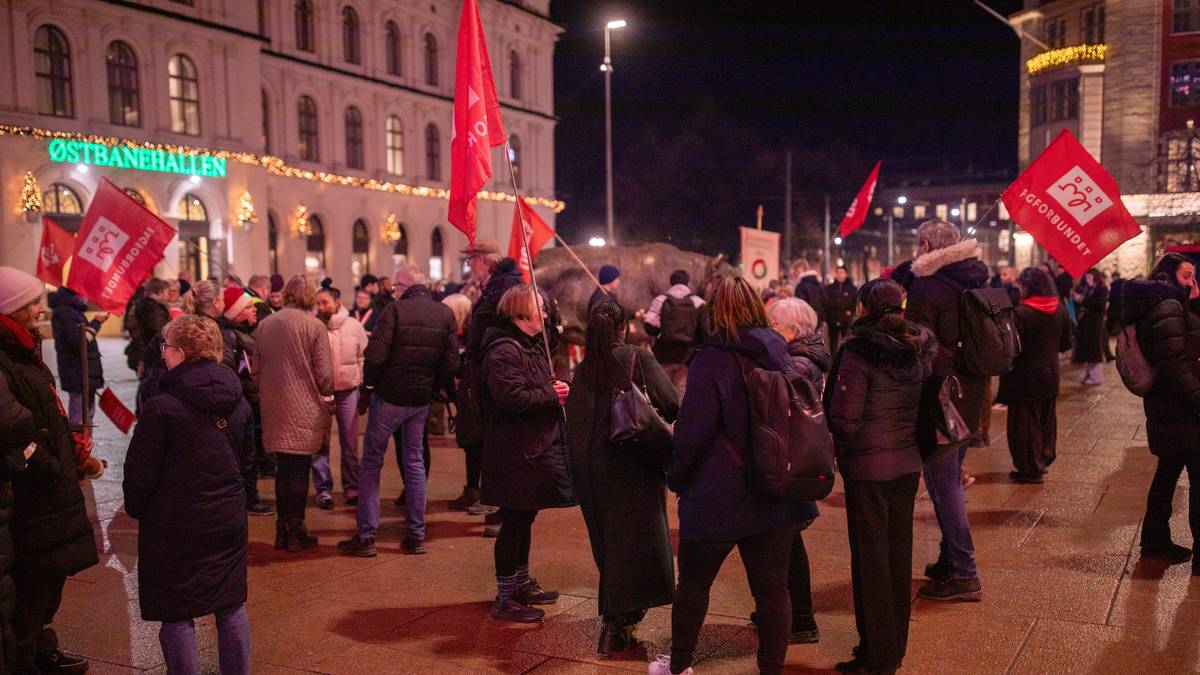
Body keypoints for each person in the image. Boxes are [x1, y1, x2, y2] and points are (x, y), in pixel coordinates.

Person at [649, 276, 810, 675]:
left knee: (694, 585)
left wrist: (677, 477)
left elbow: (692, 430)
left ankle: (680, 665)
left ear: (715, 312)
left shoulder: (711, 358)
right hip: (775, 492)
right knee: (773, 592)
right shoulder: (780, 353)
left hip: (718, 494)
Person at [123, 315, 253, 675]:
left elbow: (140, 473)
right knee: (230, 605)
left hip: (174, 523)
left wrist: (138, 508)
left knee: (177, 611)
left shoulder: (162, 407)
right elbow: (248, 461)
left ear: (179, 352)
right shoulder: (239, 400)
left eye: (165, 348)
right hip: (226, 517)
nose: (162, 355)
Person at [825, 279, 936, 675]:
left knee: (871, 561)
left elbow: (844, 416)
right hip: (906, 465)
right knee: (897, 556)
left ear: (865, 308)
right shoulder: (917, 347)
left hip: (868, 470)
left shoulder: (858, 351)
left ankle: (877, 655)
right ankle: (894, 646)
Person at [566, 301, 680, 656]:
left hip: (590, 470)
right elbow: (672, 404)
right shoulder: (637, 358)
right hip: (631, 464)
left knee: (609, 545)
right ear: (623, 327)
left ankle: (621, 617)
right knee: (636, 545)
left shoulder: (585, 368)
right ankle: (615, 624)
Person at [0, 267, 97, 674]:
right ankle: (26, 657)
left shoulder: (24, 347)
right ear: (11, 309)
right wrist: (51, 464)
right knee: (34, 581)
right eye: (30, 303)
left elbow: (41, 409)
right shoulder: (7, 354)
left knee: (50, 576)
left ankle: (42, 646)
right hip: (33, 488)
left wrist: (67, 441)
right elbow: (13, 425)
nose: (39, 309)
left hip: (49, 483)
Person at [339, 269, 458, 557]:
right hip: (419, 399)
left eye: (395, 287)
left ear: (404, 286)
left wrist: (371, 384)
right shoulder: (444, 313)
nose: (393, 292)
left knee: (371, 463)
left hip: (389, 397)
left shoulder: (394, 310)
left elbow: (376, 356)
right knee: (414, 461)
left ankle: (367, 536)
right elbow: (451, 361)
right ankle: (416, 535)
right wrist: (431, 387)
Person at [479, 285, 574, 622]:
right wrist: (552, 395)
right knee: (514, 521)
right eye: (540, 309)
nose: (546, 314)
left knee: (524, 518)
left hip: (529, 449)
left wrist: (554, 387)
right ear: (521, 312)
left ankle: (520, 583)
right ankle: (506, 597)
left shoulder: (529, 346)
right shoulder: (503, 351)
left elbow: (533, 388)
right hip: (513, 451)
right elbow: (512, 399)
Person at [902, 218, 985, 602]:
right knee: (952, 476)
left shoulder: (927, 284)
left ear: (925, 244)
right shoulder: (977, 279)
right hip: (973, 392)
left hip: (941, 397)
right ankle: (950, 558)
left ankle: (965, 572)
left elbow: (917, 348)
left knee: (943, 482)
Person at [1121, 253, 1200, 566]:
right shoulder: (1167, 306)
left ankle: (1154, 540)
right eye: (1186, 275)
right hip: (1180, 409)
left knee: (1167, 472)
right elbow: (1174, 364)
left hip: (1169, 409)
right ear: (1168, 276)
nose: (1192, 282)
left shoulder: (1167, 304)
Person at [254, 275, 334, 553]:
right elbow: (324, 376)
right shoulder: (314, 326)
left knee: (282, 470)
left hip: (274, 405)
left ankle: (282, 529)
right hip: (304, 406)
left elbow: (255, 367)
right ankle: (296, 531)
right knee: (299, 469)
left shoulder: (265, 324)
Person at [458, 246, 523, 533]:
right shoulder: (500, 285)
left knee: (500, 443)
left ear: (482, 260)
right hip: (492, 368)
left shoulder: (504, 286)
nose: (469, 266)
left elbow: (497, 326)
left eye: (471, 260)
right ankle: (499, 506)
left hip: (497, 370)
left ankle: (502, 510)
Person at [997, 268, 1072, 484]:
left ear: (1027, 287)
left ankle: (1030, 467)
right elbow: (1066, 343)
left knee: (1024, 425)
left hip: (1025, 377)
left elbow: (1012, 348)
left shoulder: (1020, 313)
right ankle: (1043, 457)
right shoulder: (1059, 309)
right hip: (1050, 375)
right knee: (1046, 421)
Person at [216, 286, 274, 517]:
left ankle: (249, 497)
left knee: (251, 453)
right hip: (244, 400)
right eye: (248, 307)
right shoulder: (232, 336)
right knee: (245, 455)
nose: (254, 310)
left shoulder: (248, 331)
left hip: (253, 398)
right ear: (236, 313)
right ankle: (247, 499)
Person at [311, 287, 368, 510]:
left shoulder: (354, 325)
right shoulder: (314, 326)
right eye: (318, 303)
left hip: (347, 391)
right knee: (319, 444)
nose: (321, 307)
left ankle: (352, 487)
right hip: (320, 393)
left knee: (350, 443)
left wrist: (360, 379)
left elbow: (362, 356)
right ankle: (323, 489)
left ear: (337, 301)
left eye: (325, 302)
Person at [48, 287, 108, 427]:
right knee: (79, 418)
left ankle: (86, 446)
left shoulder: (74, 311)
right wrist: (96, 323)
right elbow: (78, 341)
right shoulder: (64, 313)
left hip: (85, 372)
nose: (87, 297)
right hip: (77, 372)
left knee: (88, 415)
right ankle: (78, 447)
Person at [644, 270, 706, 393]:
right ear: (688, 283)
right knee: (681, 392)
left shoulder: (660, 301)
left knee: (663, 393)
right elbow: (705, 332)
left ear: (671, 283)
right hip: (687, 357)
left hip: (663, 355)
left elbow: (649, 328)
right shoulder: (699, 303)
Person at [127, 278, 171, 375]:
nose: (169, 296)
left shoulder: (141, 305)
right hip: (149, 355)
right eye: (168, 292)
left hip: (142, 352)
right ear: (160, 292)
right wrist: (165, 356)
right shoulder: (153, 308)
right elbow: (162, 334)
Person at [1073, 269, 1109, 386]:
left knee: (1094, 349)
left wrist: (1082, 300)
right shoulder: (1089, 289)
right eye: (1086, 278)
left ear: (1095, 277)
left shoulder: (1102, 289)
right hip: (1087, 323)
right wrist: (1078, 299)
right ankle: (1090, 374)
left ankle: (1096, 377)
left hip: (1094, 323)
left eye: (1089, 278)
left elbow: (1099, 304)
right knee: (1089, 349)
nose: (1087, 280)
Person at [824, 267, 857, 355]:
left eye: (842, 272)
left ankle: (844, 361)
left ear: (846, 274)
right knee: (833, 344)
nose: (839, 274)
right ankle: (833, 363)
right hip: (832, 319)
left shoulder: (851, 288)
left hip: (845, 320)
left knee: (846, 342)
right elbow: (825, 303)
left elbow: (855, 302)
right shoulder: (829, 289)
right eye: (838, 272)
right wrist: (827, 316)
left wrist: (851, 311)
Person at [790, 259, 826, 327]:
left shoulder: (801, 285)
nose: (795, 273)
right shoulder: (817, 284)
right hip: (817, 319)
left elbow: (800, 304)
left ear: (805, 270)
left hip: (805, 321)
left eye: (797, 271)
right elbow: (824, 301)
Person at [1105, 270, 1124, 362]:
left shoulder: (1114, 285)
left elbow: (1111, 298)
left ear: (1114, 277)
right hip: (1121, 311)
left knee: (1106, 332)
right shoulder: (1124, 284)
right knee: (1125, 331)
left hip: (1113, 311)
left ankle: (1106, 351)